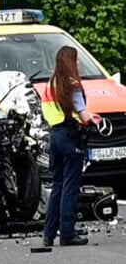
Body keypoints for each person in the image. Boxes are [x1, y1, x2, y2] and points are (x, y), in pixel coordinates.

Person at [41, 45, 100, 247]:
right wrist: (93, 119)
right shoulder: (72, 84)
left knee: (57, 185)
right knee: (71, 186)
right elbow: (82, 114)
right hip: (69, 136)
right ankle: (67, 233)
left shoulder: (51, 84)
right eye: (76, 60)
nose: (78, 63)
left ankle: (48, 234)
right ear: (71, 62)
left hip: (54, 136)